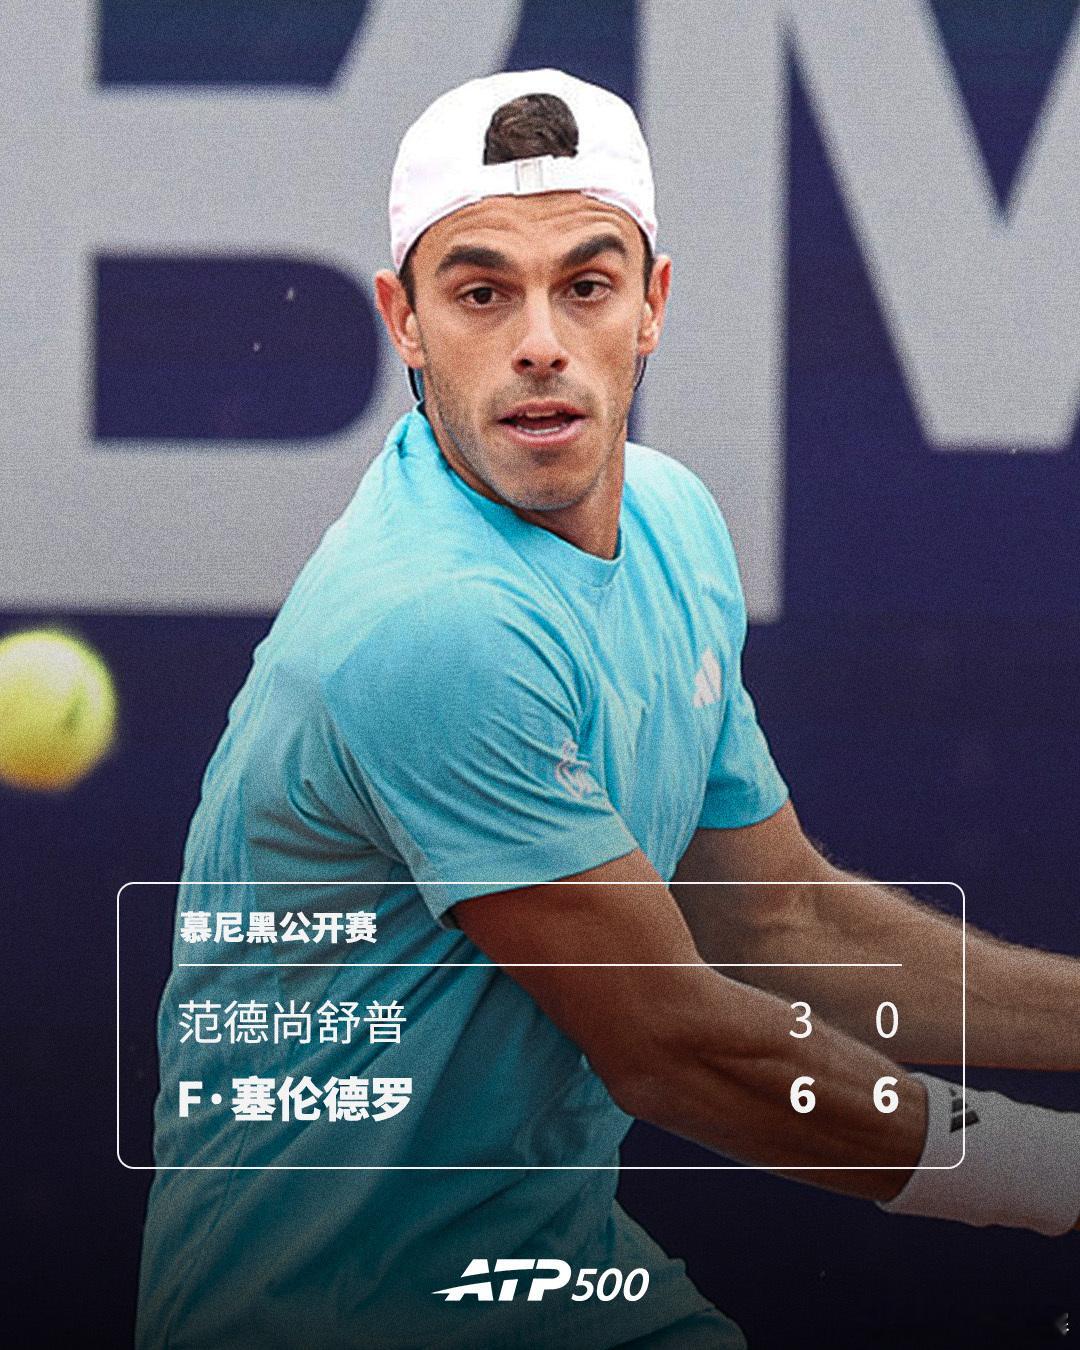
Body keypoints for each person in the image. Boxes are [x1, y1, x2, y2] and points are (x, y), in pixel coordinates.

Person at [135, 68, 1079, 1350]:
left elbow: (778, 918)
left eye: (585, 285)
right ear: (404, 321)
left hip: (550, 1274)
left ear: (653, 306)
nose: (540, 341)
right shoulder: (433, 624)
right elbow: (676, 1044)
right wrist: (1052, 1175)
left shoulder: (673, 523)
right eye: (481, 294)